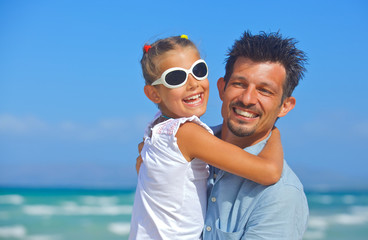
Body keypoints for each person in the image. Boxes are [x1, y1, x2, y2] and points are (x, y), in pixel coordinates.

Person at [129, 35, 285, 240]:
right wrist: (273, 132)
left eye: (198, 70)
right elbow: (270, 172)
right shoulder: (186, 133)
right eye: (176, 78)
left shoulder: (157, 128)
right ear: (153, 94)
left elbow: (142, 165)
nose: (193, 83)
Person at [202, 31, 309, 239]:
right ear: (222, 88)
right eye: (239, 84)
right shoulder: (186, 149)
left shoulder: (281, 194)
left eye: (265, 90)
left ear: (285, 106)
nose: (248, 99)